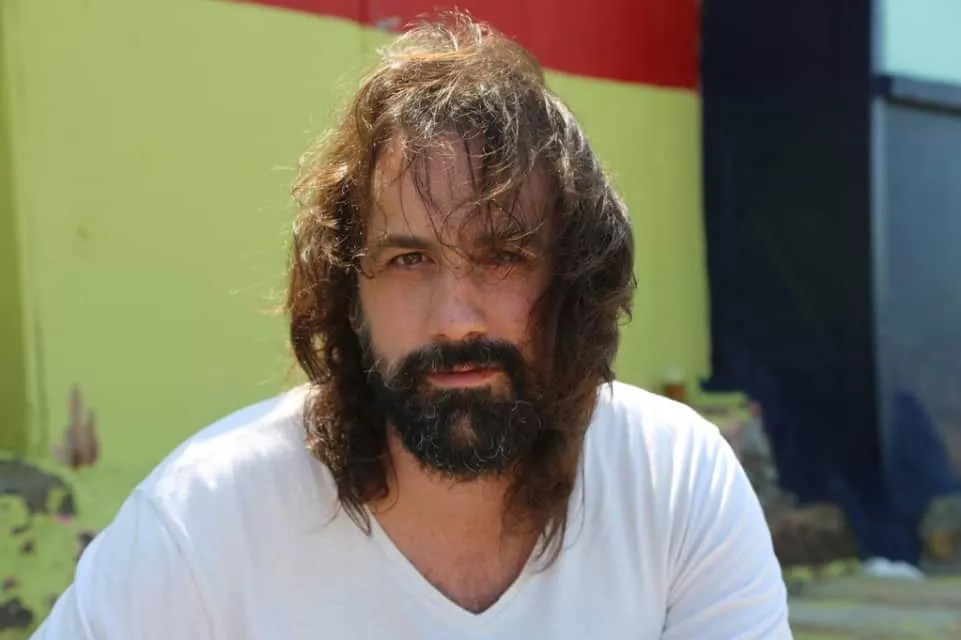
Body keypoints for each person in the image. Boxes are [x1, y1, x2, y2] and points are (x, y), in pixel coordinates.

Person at [34, 13, 790, 639]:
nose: (454, 318)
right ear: (346, 293)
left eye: (503, 256)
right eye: (407, 259)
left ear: (574, 277)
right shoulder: (205, 521)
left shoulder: (671, 484)